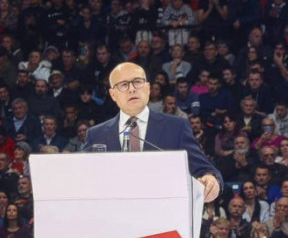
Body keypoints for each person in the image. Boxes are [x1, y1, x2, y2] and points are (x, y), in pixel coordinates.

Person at [83, 63, 222, 202]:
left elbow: (203, 169)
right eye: (123, 85)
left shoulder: (176, 127)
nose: (132, 89)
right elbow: (82, 176)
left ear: (148, 88)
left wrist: (211, 179)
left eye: (137, 82)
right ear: (113, 94)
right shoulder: (96, 135)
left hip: (162, 211)